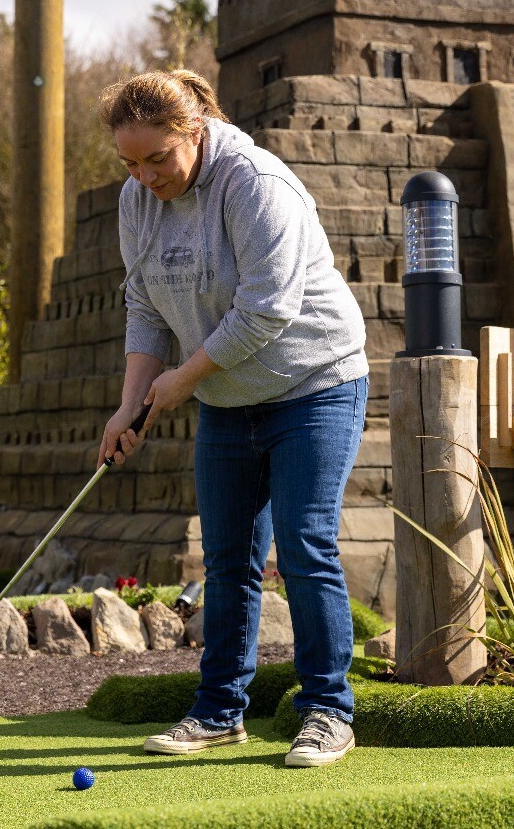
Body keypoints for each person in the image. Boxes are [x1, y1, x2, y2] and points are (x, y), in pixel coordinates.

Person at [97, 69, 368, 768]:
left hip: (314, 384)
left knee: (306, 548)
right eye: (130, 162)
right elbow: (146, 307)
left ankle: (328, 713)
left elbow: (266, 309)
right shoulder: (137, 200)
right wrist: (132, 401)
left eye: (158, 158)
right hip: (227, 398)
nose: (145, 175)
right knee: (227, 561)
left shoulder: (255, 183)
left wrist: (181, 381)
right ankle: (219, 712)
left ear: (194, 132)